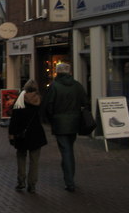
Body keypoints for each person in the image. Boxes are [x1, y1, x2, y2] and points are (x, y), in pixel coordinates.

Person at [42, 62, 89, 192]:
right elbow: (85, 102)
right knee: (69, 149)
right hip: (74, 122)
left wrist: (51, 119)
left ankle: (69, 182)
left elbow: (48, 105)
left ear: (57, 72)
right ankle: (69, 178)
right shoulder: (77, 86)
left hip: (60, 123)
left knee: (66, 151)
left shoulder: (54, 86)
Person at [8, 79, 47, 193]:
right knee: (34, 161)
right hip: (36, 133)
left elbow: (14, 120)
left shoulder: (19, 100)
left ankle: (21, 182)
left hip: (21, 134)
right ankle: (32, 184)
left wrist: (11, 135)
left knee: (21, 157)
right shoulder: (39, 99)